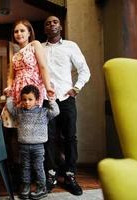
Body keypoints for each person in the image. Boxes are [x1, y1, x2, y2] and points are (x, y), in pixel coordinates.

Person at [41, 16, 91, 196]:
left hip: (66, 99)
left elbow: (84, 70)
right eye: (48, 23)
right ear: (45, 29)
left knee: (70, 137)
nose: (51, 24)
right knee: (49, 138)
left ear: (60, 26)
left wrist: (76, 88)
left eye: (55, 22)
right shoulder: (40, 48)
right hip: (47, 100)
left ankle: (70, 175)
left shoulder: (71, 46)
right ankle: (51, 175)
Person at [6, 84, 59, 200]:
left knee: (39, 167)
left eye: (30, 99)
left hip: (38, 147)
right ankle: (26, 186)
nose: (27, 102)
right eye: (24, 99)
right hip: (24, 146)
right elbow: (10, 108)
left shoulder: (43, 112)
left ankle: (42, 187)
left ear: (37, 100)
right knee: (25, 167)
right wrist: (9, 96)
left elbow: (55, 111)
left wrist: (51, 98)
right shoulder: (19, 111)